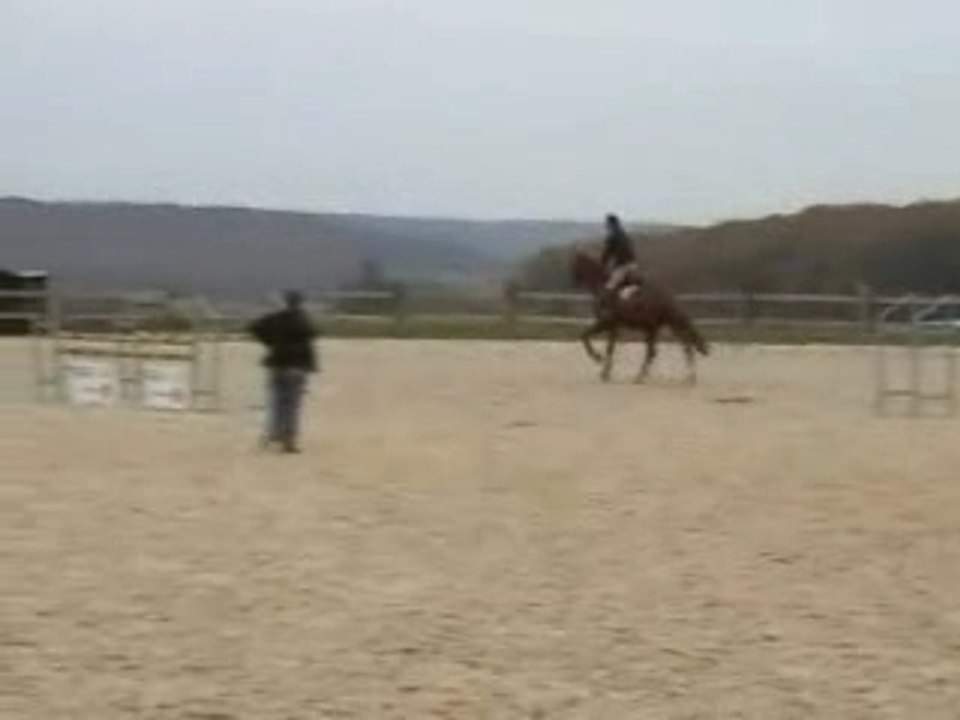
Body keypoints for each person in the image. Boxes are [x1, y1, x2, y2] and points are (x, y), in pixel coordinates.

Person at [248, 290, 319, 453]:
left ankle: (273, 432)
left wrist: (270, 343)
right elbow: (313, 333)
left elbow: (255, 327)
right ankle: (288, 439)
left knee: (276, 402)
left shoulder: (276, 318)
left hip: (276, 364)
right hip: (296, 366)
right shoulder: (301, 320)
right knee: (292, 405)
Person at [600, 213, 641, 302]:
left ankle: (616, 305)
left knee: (610, 286)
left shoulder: (613, 236)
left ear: (611, 224)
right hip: (633, 263)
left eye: (607, 224)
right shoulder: (623, 234)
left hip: (623, 265)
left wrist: (602, 264)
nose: (606, 226)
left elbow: (608, 253)